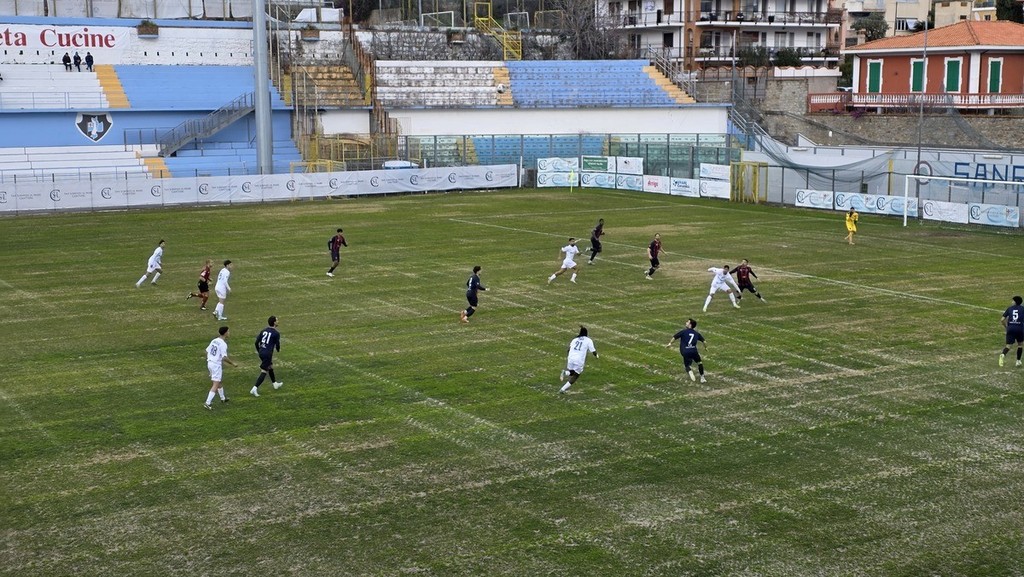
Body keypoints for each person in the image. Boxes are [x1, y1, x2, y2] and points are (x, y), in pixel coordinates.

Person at [204, 326, 238, 410]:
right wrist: (233, 363)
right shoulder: (223, 344)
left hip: (210, 363)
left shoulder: (214, 340)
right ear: (225, 333)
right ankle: (207, 403)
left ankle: (223, 398)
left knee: (218, 381)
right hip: (216, 365)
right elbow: (224, 357)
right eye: (228, 331)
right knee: (215, 384)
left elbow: (207, 351)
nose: (229, 333)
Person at [559, 326, 598, 394]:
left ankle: (565, 373)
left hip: (571, 358)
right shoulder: (588, 340)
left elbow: (568, 350)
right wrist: (596, 356)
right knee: (576, 375)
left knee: (572, 372)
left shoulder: (574, 339)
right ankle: (562, 389)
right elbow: (593, 351)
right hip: (579, 359)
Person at [667, 318, 707, 383]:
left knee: (687, 365)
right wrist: (705, 348)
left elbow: (674, 337)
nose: (686, 323)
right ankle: (702, 378)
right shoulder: (696, 333)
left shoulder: (683, 332)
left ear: (690, 325)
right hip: (694, 351)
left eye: (687, 322)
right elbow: (704, 341)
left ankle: (690, 371)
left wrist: (670, 343)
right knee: (699, 363)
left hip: (685, 351)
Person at [251, 316, 283, 397]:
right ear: (274, 322)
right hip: (267, 354)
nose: (278, 321)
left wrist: (259, 351)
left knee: (270, 366)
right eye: (277, 320)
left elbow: (256, 342)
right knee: (264, 371)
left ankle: (275, 384)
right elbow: (277, 344)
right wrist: (278, 349)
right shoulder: (276, 333)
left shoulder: (264, 331)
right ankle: (254, 388)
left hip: (262, 352)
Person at [999, 295, 1024, 367]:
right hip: (1020, 328)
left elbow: (1002, 320)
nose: (1012, 302)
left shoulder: (1010, 308)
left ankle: (1003, 354)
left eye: (1013, 300)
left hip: (1010, 328)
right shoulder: (1023, 309)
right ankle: (1018, 361)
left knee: (1008, 345)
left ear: (1015, 302)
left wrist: (1006, 327)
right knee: (1020, 345)